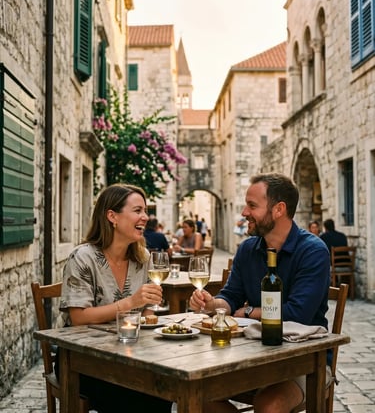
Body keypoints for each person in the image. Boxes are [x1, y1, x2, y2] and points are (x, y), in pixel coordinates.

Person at [189, 173, 331, 413]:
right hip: (252, 357)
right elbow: (230, 298)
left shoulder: (313, 251)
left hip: (305, 362)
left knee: (269, 406)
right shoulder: (247, 249)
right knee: (196, 394)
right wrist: (213, 304)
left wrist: (249, 311)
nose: (244, 212)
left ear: (279, 209)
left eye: (252, 205)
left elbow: (298, 314)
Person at [57, 183, 172, 413]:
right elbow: (79, 317)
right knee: (135, 397)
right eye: (137, 210)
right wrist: (130, 303)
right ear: (112, 216)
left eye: (145, 211)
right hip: (83, 359)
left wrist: (149, 315)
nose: (145, 217)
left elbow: (148, 310)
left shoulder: (143, 258)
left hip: (131, 355)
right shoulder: (83, 258)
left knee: (163, 389)